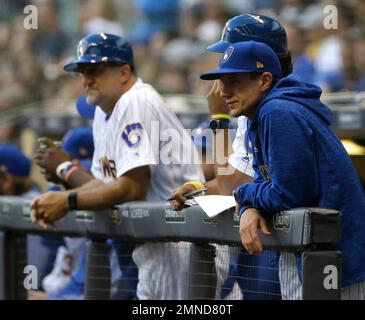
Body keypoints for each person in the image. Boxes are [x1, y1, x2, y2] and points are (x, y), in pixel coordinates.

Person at [31, 33, 205, 300]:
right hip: (156, 239)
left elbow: (132, 187)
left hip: (181, 240)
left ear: (124, 72)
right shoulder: (104, 111)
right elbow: (105, 182)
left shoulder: (135, 100)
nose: (86, 79)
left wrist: (68, 200)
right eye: (82, 72)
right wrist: (62, 190)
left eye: (95, 70)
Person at [200, 40, 365, 300]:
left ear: (264, 80)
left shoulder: (279, 112)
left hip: (336, 261)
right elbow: (267, 183)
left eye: (234, 81)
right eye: (222, 81)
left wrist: (245, 197)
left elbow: (288, 193)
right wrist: (249, 206)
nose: (223, 92)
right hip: (314, 253)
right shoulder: (262, 114)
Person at [170, 14, 290, 299]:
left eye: (229, 53)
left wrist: (219, 117)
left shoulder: (277, 108)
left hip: (314, 249)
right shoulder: (255, 108)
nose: (223, 64)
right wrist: (199, 188)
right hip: (277, 244)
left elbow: (230, 186)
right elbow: (234, 180)